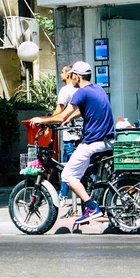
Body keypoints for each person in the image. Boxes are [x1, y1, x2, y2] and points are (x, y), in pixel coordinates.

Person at [29, 61, 114, 224]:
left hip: (93, 142)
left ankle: (91, 207)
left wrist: (43, 119)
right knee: (83, 172)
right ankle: (92, 199)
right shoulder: (97, 89)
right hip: (107, 140)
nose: (70, 77)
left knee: (68, 174)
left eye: (72, 75)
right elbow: (82, 111)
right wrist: (68, 119)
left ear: (77, 76)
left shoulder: (80, 93)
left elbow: (60, 115)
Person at [53, 65, 82, 207]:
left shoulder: (65, 90)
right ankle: (62, 195)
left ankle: (87, 195)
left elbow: (60, 109)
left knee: (71, 166)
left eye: (63, 72)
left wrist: (48, 121)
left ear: (69, 75)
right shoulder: (79, 89)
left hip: (70, 135)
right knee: (65, 166)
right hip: (80, 133)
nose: (60, 74)